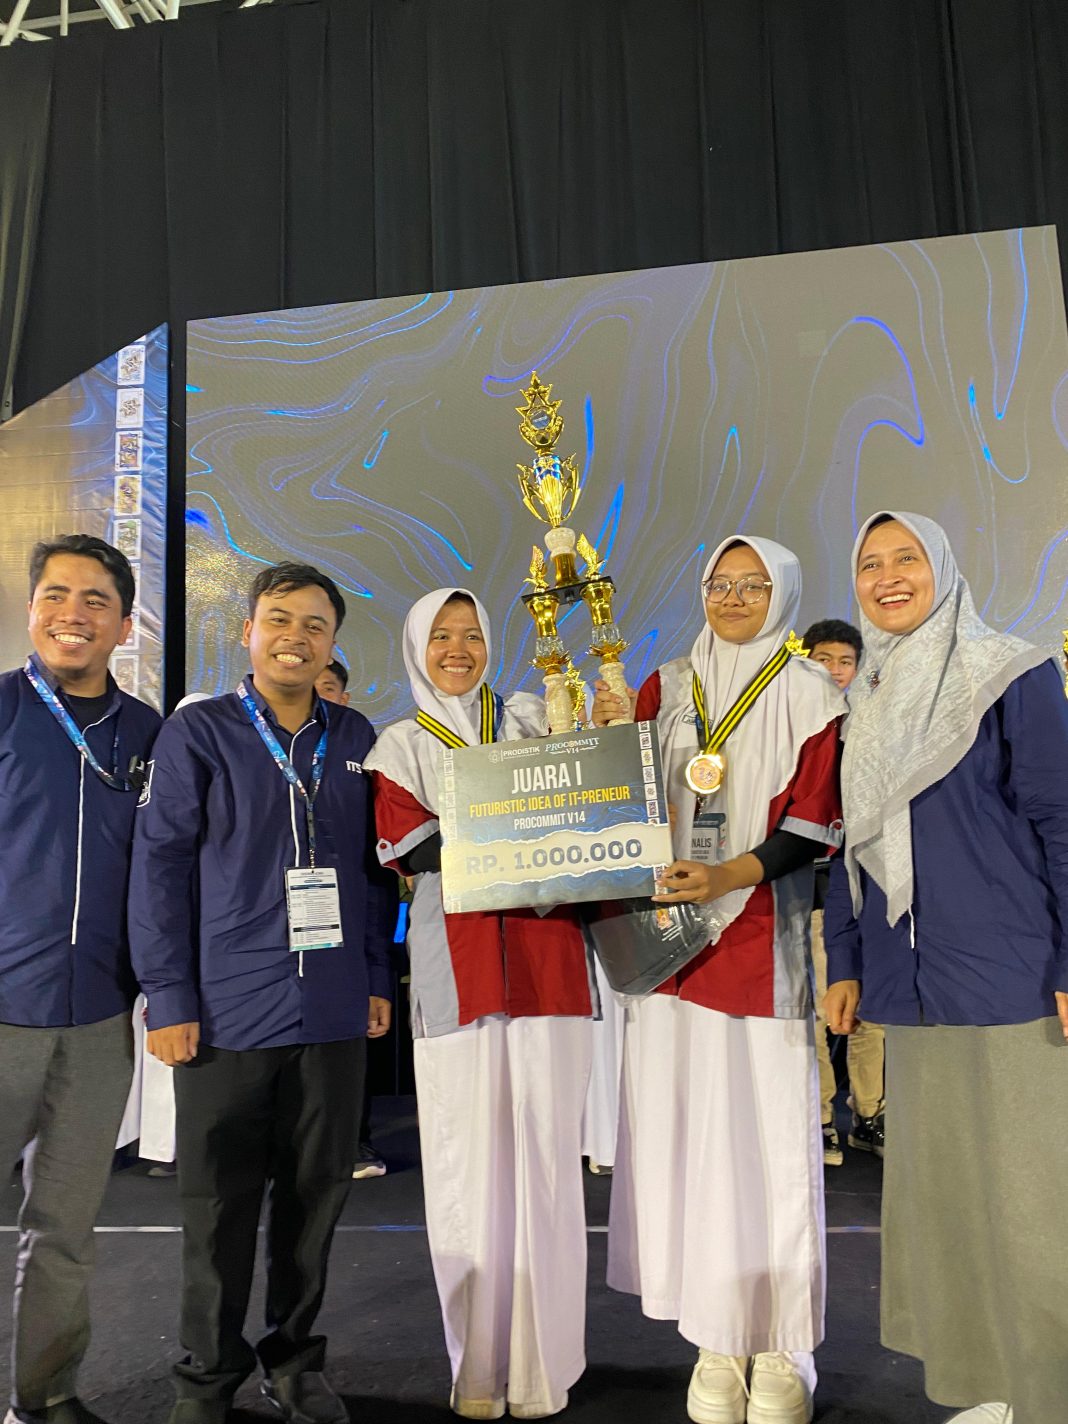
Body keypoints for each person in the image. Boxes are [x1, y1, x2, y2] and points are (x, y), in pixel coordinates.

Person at [129, 562, 397, 1424]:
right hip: (225, 1012)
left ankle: (294, 1362)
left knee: (316, 1200)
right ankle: (206, 1377)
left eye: (315, 625)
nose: (296, 637)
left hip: (332, 1009)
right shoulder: (199, 732)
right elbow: (160, 867)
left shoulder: (356, 736)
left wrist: (374, 975)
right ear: (248, 631)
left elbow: (373, 873)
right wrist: (169, 996)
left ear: (332, 642)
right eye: (279, 619)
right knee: (218, 1210)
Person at [823, 511, 1068, 1424]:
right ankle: (991, 1387)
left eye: (907, 558)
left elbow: (1062, 820)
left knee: (1037, 1213)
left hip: (1015, 983)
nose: (888, 577)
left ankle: (1049, 1396)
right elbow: (848, 847)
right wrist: (847, 959)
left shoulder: (1009, 673)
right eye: (870, 563)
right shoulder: (868, 699)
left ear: (944, 568)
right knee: (953, 1207)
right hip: (915, 992)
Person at [594, 537, 845, 1424]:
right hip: (669, 954)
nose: (733, 597)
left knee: (769, 1145)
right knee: (689, 1143)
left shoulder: (812, 693)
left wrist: (726, 876)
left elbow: (812, 825)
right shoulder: (663, 686)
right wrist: (604, 735)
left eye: (753, 585)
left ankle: (781, 1345)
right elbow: (623, 804)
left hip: (758, 947)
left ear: (783, 594)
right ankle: (713, 1338)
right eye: (719, 583)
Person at [365, 588, 595, 1421]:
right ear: (416, 647)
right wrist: (531, 818)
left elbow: (592, 799)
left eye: (470, 634)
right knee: (466, 1171)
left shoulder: (538, 719)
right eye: (441, 636)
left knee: (546, 1165)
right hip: (454, 981)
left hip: (549, 970)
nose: (457, 649)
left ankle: (543, 1366)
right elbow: (418, 847)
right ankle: (478, 1367)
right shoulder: (400, 746)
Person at [0, 534, 161, 1424]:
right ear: (31, 611)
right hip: (3, 1012)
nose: (74, 614)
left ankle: (47, 1394)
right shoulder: (2, 709)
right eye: (57, 596)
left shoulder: (149, 733)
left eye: (96, 600)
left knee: (64, 1229)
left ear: (125, 625)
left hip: (100, 1020)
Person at [801, 619, 885, 1167]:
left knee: (870, 1009)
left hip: (864, 883)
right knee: (820, 1007)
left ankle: (870, 1114)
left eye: (845, 661)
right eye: (824, 659)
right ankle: (823, 1119)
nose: (835, 670)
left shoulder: (869, 724)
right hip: (810, 887)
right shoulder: (789, 725)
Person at [313, 659, 389, 1180]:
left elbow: (376, 858)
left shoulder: (362, 744)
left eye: (328, 689)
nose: (318, 696)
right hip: (276, 929)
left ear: (344, 697)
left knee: (351, 1039)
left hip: (349, 922)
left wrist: (379, 968)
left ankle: (355, 1142)